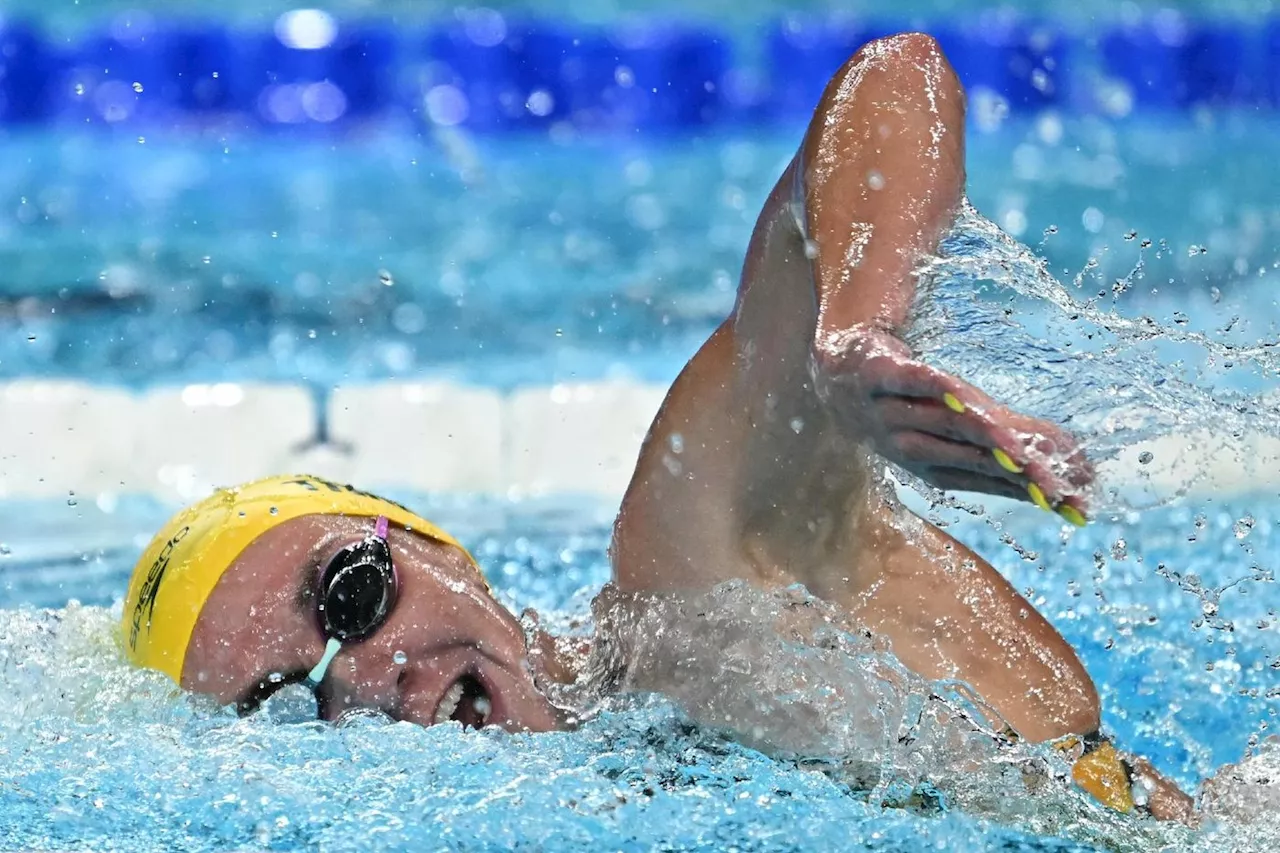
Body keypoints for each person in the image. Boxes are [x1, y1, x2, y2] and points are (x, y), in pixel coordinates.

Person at [119, 34, 1194, 822]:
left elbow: (894, 79)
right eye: (284, 709)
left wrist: (853, 332)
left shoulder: (694, 591)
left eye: (349, 594)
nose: (363, 678)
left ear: (434, 544)